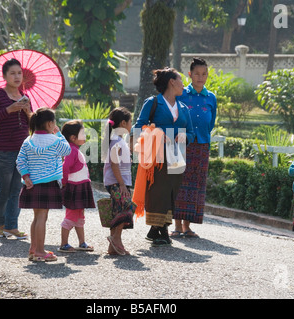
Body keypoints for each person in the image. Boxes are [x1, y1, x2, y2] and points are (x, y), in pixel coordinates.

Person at [132, 67, 195, 247]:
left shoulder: (183, 108)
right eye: (181, 80)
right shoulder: (152, 102)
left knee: (172, 191)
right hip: (157, 156)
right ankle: (161, 229)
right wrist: (157, 132)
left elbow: (191, 132)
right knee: (157, 191)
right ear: (172, 82)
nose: (184, 85)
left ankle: (157, 228)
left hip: (177, 156)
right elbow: (139, 126)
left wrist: (186, 137)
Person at [0, 58, 32, 239]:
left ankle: (12, 226)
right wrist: (9, 110)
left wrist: (28, 111)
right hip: (3, 151)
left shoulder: (25, 96)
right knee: (4, 188)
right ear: (5, 76)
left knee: (17, 189)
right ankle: (0, 223)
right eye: (12, 73)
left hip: (22, 151)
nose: (17, 76)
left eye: (19, 73)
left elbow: (32, 123)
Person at [16, 108, 71, 262]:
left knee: (36, 217)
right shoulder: (54, 140)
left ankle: (33, 249)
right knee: (42, 217)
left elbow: (20, 161)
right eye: (54, 122)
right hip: (48, 182)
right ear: (49, 124)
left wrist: (26, 176)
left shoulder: (28, 141)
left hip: (32, 184)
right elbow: (66, 151)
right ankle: (40, 251)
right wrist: (58, 134)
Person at [172, 57, 217, 238]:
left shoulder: (211, 97)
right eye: (197, 74)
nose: (201, 77)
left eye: (204, 74)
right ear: (189, 74)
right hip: (181, 144)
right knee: (178, 182)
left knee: (195, 185)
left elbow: (211, 122)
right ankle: (176, 226)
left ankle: (187, 226)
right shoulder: (181, 94)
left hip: (202, 146)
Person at [59, 120, 96, 252]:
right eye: (83, 133)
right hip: (74, 189)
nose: (85, 135)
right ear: (73, 138)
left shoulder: (76, 150)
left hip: (80, 187)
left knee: (80, 216)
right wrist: (63, 184)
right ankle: (64, 244)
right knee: (71, 217)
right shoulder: (71, 150)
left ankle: (82, 242)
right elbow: (65, 168)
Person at [103, 107, 135, 255]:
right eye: (130, 122)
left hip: (119, 181)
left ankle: (113, 247)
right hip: (117, 182)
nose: (131, 125)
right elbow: (114, 163)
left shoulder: (118, 140)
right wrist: (121, 183)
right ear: (123, 123)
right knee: (125, 208)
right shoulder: (116, 140)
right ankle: (116, 239)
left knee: (117, 209)